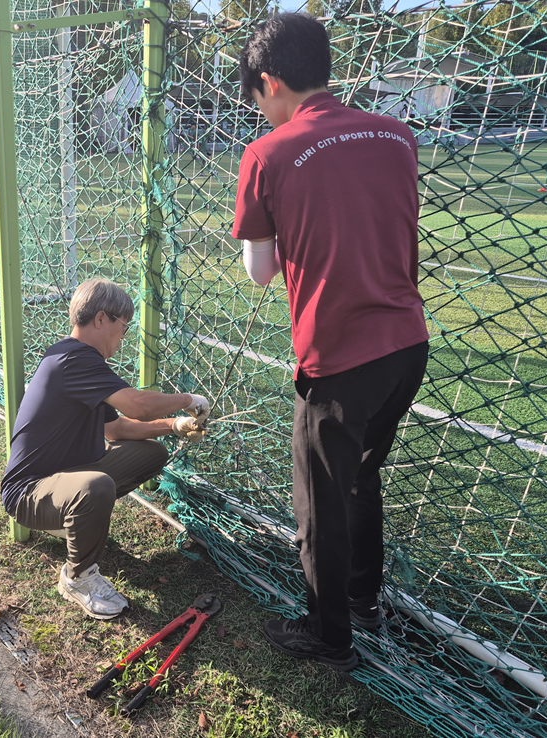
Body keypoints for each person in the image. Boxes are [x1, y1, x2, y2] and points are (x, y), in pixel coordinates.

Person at [233, 13, 429, 672]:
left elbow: (260, 275)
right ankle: (364, 600)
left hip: (340, 355)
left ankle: (329, 638)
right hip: (407, 343)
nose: (260, 114)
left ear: (269, 82)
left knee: (318, 498)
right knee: (360, 479)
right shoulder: (396, 134)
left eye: (256, 100)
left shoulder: (268, 154)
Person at [0, 278, 210, 620]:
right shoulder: (74, 359)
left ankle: (75, 520)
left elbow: (116, 429)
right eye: (123, 326)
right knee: (96, 486)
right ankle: (78, 577)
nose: (123, 336)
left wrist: (174, 426)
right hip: (28, 493)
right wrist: (190, 400)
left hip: (59, 481)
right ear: (101, 319)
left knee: (151, 452)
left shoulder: (77, 361)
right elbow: (138, 406)